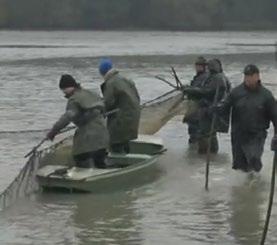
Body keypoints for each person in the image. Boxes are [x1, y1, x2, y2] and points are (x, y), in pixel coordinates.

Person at [215, 64, 277, 172]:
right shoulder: (236, 92)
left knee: (253, 160)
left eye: (250, 76)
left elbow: (275, 116)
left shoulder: (266, 95)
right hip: (238, 135)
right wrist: (216, 109)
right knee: (239, 167)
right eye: (246, 76)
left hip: (257, 135)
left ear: (257, 76)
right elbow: (224, 106)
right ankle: (243, 187)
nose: (248, 78)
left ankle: (256, 184)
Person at [46, 74, 109, 168]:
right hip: (103, 136)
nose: (63, 92)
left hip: (88, 138)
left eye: (63, 89)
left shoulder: (74, 100)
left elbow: (67, 118)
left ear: (67, 87)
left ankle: (83, 179)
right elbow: (104, 108)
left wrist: (53, 132)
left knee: (79, 157)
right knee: (100, 162)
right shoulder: (91, 93)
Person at [183, 58, 230, 154]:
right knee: (205, 134)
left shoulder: (218, 78)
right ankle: (207, 155)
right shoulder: (213, 77)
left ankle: (208, 156)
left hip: (211, 111)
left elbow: (207, 91)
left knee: (206, 134)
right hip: (207, 111)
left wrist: (191, 90)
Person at [99, 59, 141, 154]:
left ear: (102, 73)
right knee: (125, 141)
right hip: (133, 116)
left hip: (121, 119)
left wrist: (97, 111)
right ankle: (128, 159)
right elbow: (137, 97)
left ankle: (120, 164)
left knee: (115, 143)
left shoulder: (111, 83)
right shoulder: (126, 80)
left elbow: (108, 103)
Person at [183, 56, 209, 144]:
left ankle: (196, 153)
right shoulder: (197, 77)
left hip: (200, 111)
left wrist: (190, 89)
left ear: (205, 66)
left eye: (200, 65)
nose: (198, 67)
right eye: (197, 65)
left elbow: (203, 91)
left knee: (197, 134)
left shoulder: (206, 77)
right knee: (193, 133)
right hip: (194, 111)